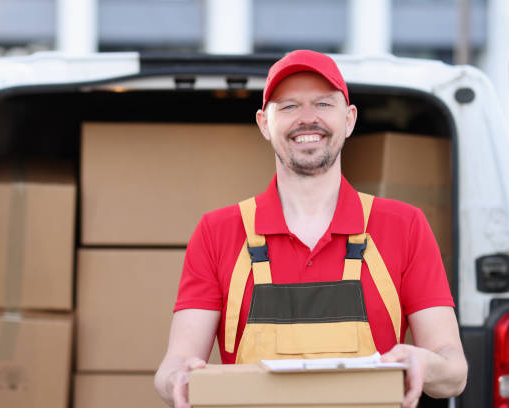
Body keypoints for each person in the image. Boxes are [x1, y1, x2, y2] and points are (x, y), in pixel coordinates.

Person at [154, 50, 467, 408]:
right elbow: (174, 363)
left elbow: (453, 370)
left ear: (349, 119)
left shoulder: (404, 225)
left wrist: (424, 363)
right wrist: (178, 378)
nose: (307, 119)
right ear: (264, 123)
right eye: (288, 107)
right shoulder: (218, 231)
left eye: (322, 104)